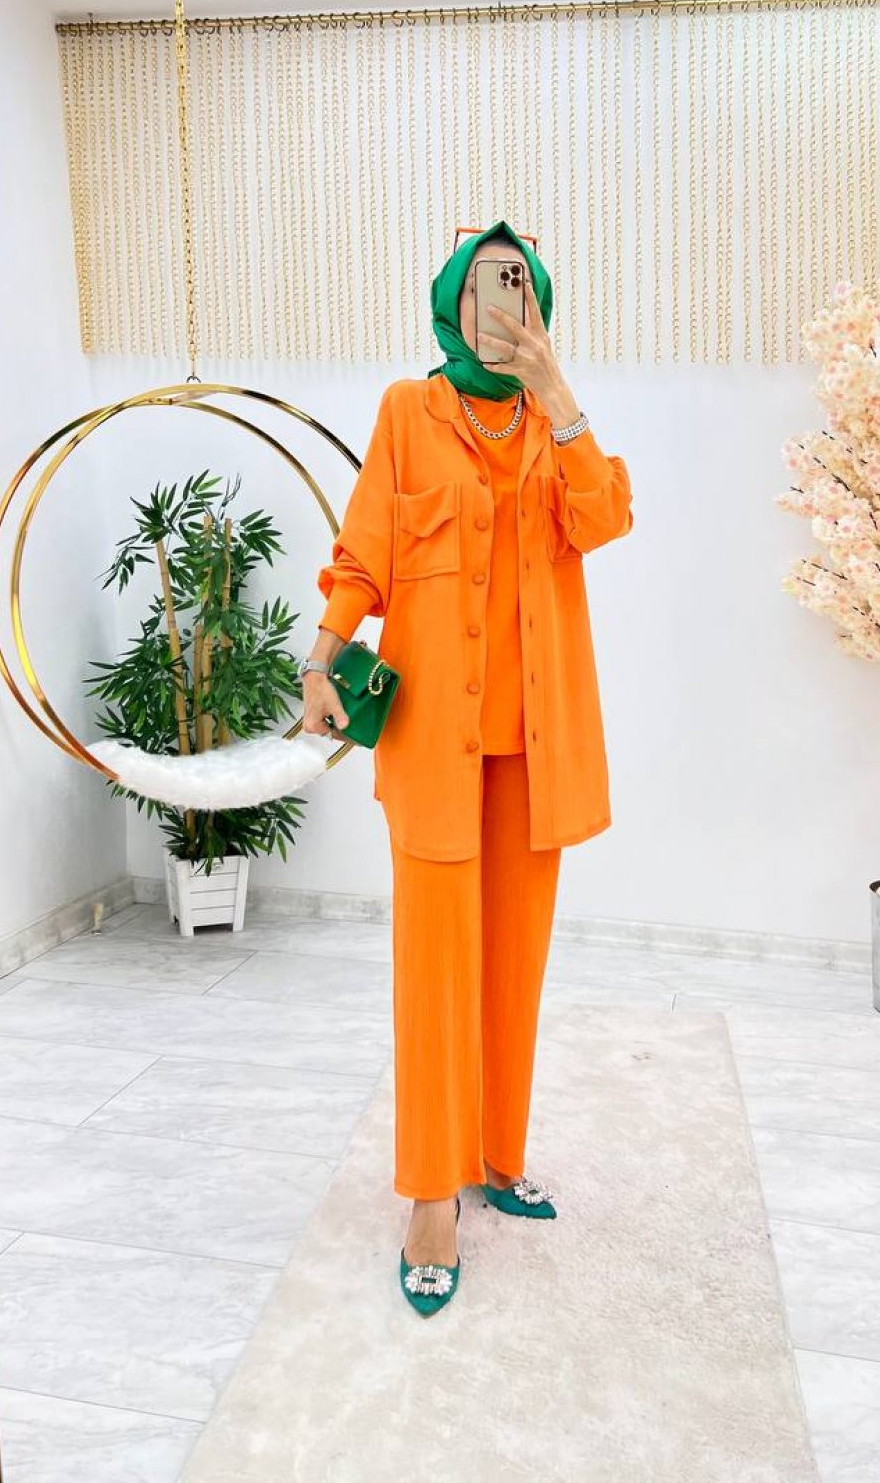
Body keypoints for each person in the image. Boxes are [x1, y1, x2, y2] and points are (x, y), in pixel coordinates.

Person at [302, 219, 633, 1315]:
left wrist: (557, 388)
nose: (503, 304)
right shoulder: (408, 410)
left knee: (513, 962)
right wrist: (321, 658)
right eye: (489, 286)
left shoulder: (553, 422)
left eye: (521, 287)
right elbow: (365, 553)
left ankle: (496, 1153)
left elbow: (605, 519)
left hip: (535, 749)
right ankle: (429, 1196)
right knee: (436, 972)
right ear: (453, 300)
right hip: (435, 745)